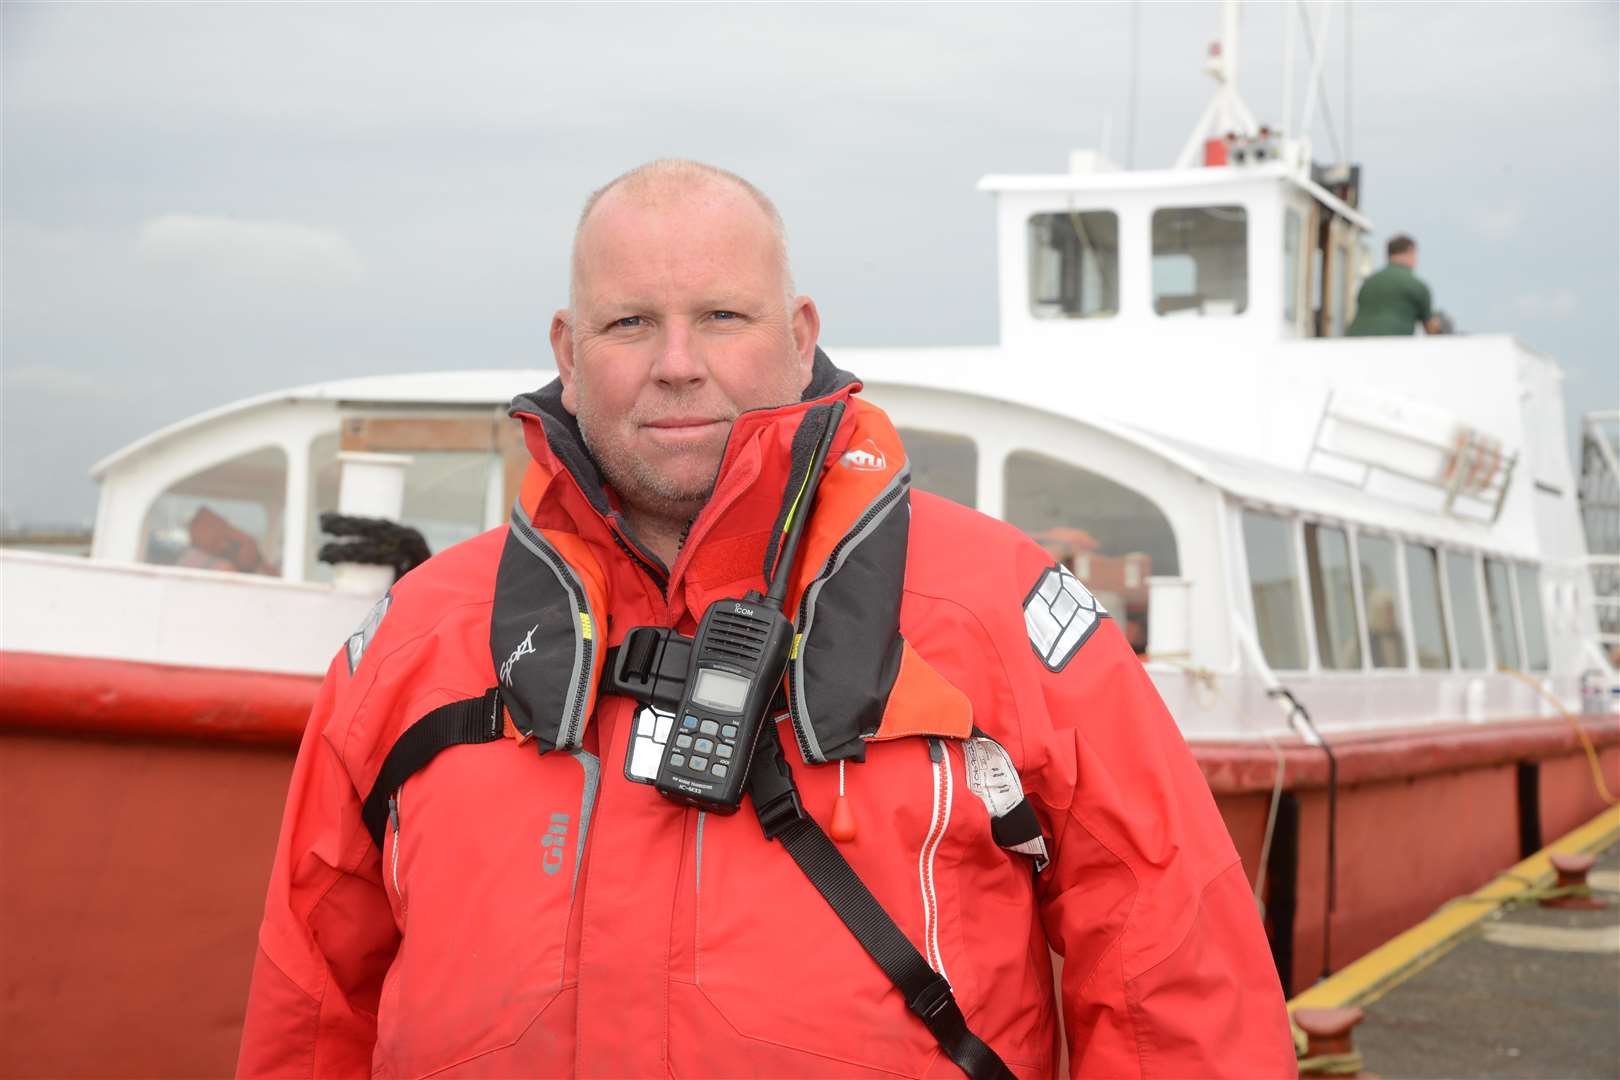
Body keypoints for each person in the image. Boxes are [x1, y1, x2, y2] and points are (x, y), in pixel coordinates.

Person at [237, 160, 1297, 1078]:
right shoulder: (418, 640)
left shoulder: (990, 616)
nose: (678, 363)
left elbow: (1175, 973)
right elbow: (312, 1006)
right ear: (568, 347)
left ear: (800, 336)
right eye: (630, 321)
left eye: (722, 317)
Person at [1346, 234, 1443, 336]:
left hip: (1356, 343)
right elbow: (1431, 328)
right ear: (1410, 251)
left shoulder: (1368, 283)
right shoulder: (1416, 285)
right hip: (1392, 346)